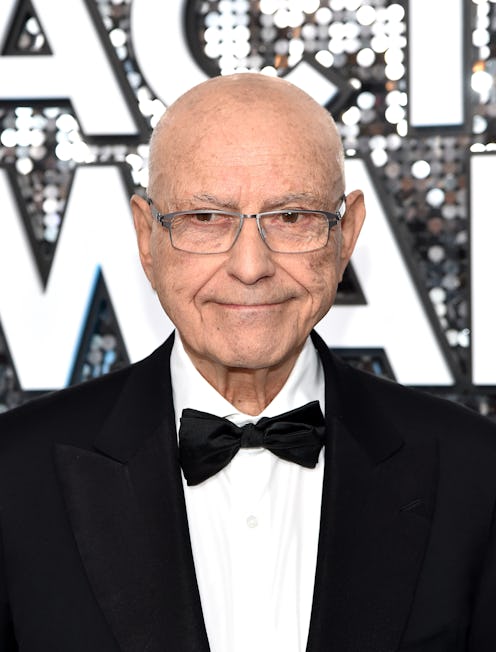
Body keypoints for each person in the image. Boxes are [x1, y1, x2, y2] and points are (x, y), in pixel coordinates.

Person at [1, 73, 496, 652]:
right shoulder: (13, 477)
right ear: (146, 237)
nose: (250, 266)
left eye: (291, 217)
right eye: (206, 219)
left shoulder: (478, 475)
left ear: (347, 235)